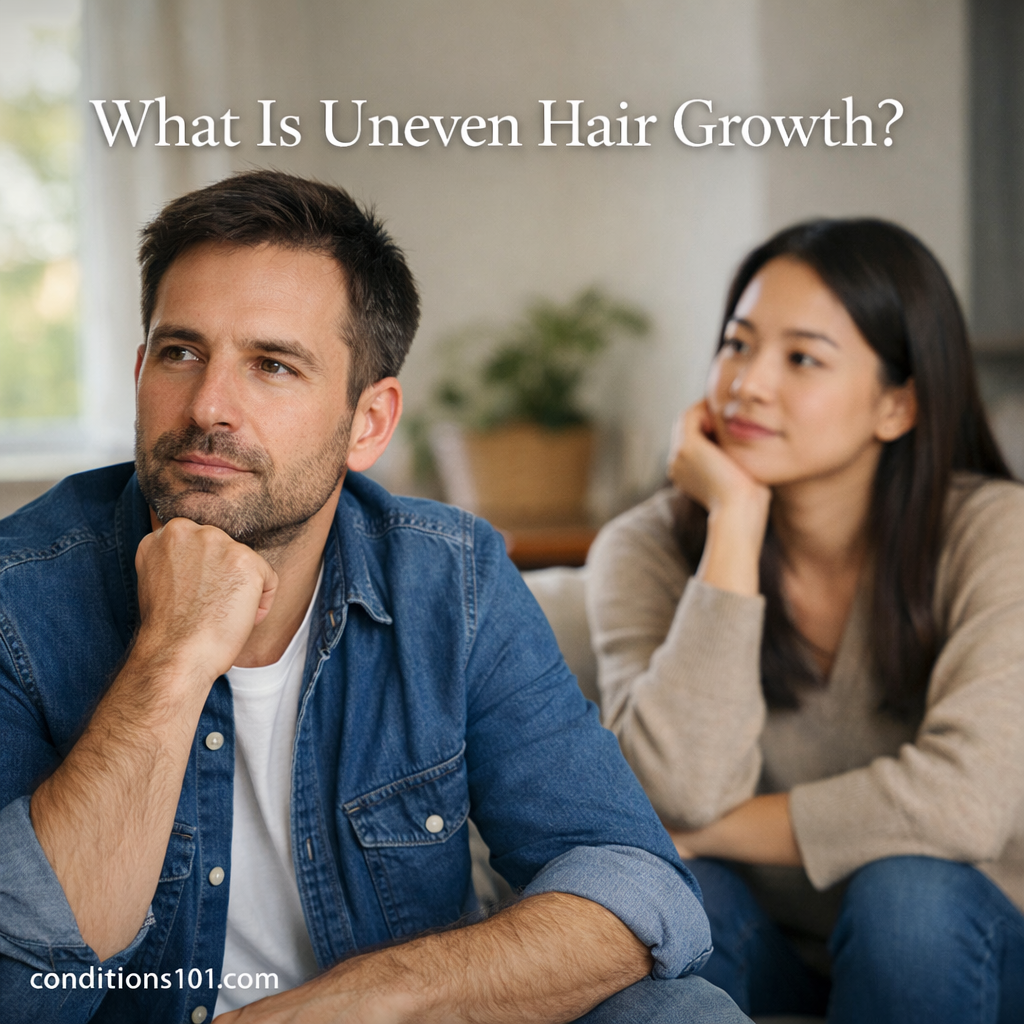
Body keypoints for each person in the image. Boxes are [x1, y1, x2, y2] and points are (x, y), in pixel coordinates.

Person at [0, 171, 750, 1024]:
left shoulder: (451, 581)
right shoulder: (19, 598)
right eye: (180, 353)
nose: (209, 406)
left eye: (272, 365)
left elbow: (637, 884)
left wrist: (361, 1000)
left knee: (681, 1011)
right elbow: (23, 984)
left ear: (370, 422)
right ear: (140, 371)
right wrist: (171, 656)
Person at [586, 218, 1024, 1024]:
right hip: (769, 944)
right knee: (673, 898)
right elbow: (671, 791)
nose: (748, 384)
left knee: (906, 897)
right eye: (738, 344)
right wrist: (734, 525)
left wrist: (710, 830)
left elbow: (962, 805)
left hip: (963, 936)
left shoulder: (996, 533)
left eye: (802, 359)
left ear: (896, 405)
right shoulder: (645, 548)